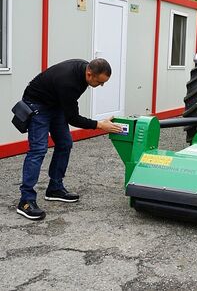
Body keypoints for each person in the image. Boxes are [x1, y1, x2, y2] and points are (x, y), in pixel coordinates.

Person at [16, 58, 123, 221]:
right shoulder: (69, 83)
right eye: (99, 82)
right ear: (89, 74)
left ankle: (55, 188)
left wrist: (98, 124)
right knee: (38, 150)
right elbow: (73, 118)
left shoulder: (84, 70)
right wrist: (100, 125)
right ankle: (25, 200)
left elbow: (69, 109)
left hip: (55, 103)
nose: (101, 86)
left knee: (65, 143)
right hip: (37, 104)